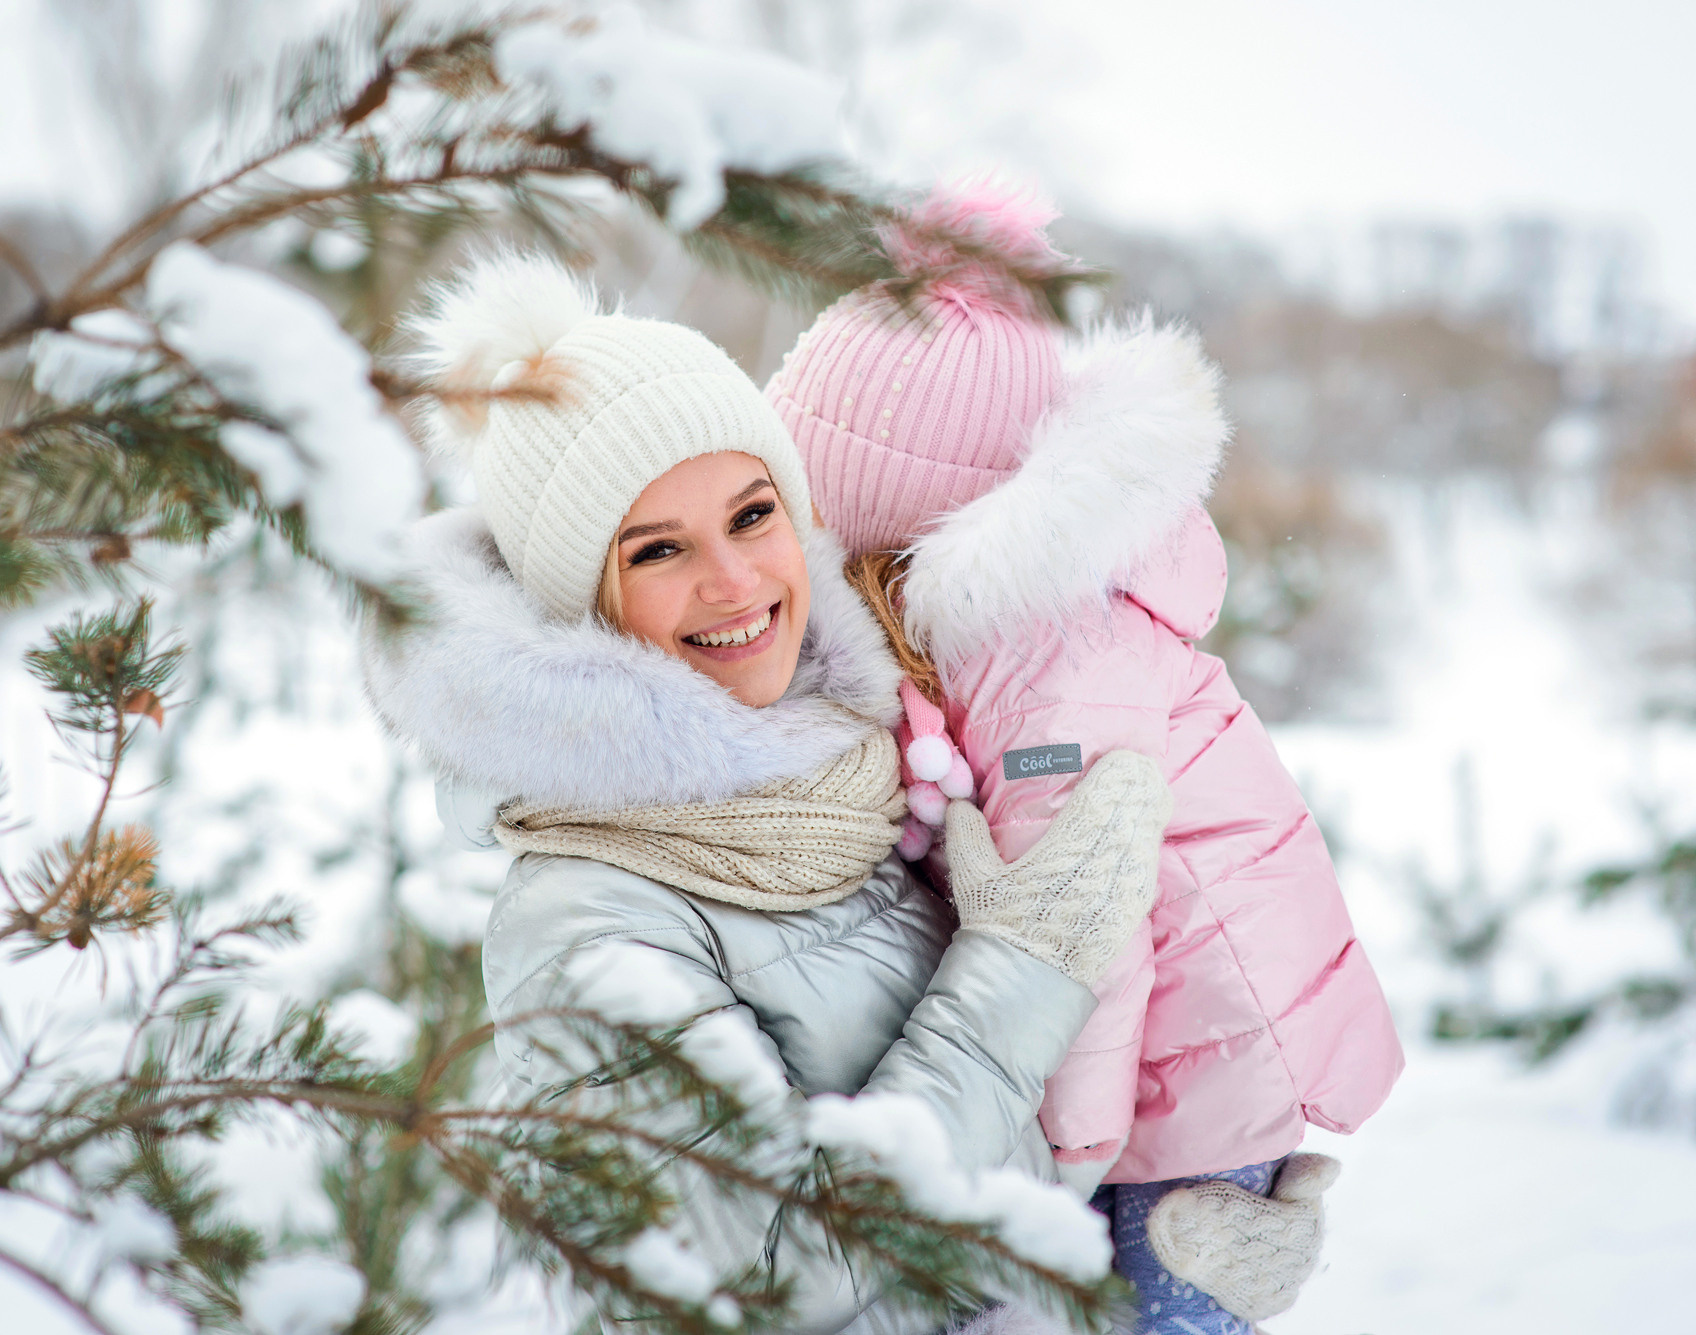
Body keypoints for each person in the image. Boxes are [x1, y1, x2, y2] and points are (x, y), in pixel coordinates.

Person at [363, 251, 1171, 1334]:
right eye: (658, 550)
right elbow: (773, 1279)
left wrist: (1171, 1244)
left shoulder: (848, 783)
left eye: (751, 516)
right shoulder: (584, 923)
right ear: (580, 605)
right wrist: (1021, 969)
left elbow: (992, 1154)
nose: (736, 581)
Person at [765, 182, 1405, 1334]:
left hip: (1190, 1090)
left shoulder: (1042, 657)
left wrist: (1056, 1161)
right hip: (1188, 1061)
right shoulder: (1024, 623)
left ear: (887, 509)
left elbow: (1084, 931)